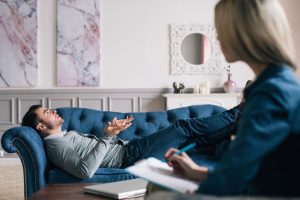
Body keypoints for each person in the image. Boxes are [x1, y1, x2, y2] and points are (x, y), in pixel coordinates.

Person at [164, 0, 300, 197]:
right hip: (258, 189)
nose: (218, 37)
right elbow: (243, 171)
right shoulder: (279, 82)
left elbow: (230, 180)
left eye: (222, 30)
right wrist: (195, 172)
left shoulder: (272, 93)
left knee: (160, 194)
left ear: (244, 34)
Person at [21, 103, 242, 179]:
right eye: (48, 112)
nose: (54, 112)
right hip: (132, 156)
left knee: (194, 135)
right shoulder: (56, 145)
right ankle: (238, 113)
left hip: (130, 149)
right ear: (40, 126)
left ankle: (237, 122)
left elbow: (96, 151)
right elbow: (84, 171)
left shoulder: (62, 136)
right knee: (182, 127)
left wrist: (114, 133)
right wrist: (108, 136)